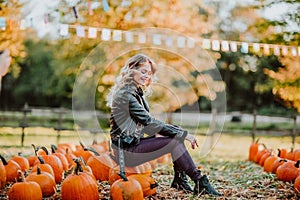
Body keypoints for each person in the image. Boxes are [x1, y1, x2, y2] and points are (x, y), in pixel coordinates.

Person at [106, 53, 221, 196]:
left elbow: (147, 125)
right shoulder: (126, 95)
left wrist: (178, 132)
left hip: (131, 144)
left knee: (175, 132)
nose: (147, 76)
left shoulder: (134, 92)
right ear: (131, 70)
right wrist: (185, 135)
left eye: (149, 73)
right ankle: (200, 182)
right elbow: (149, 122)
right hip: (125, 151)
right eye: (143, 71)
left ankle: (180, 179)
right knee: (174, 141)